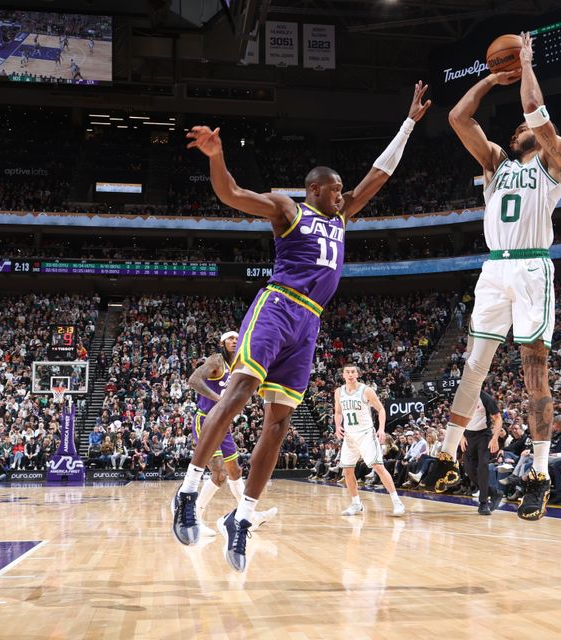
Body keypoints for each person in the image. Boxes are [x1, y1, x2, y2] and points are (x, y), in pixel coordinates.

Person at [170, 81, 431, 571]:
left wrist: (409, 123)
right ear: (315, 189)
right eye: (335, 190)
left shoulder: (343, 215)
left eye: (341, 192)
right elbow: (231, 193)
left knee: (280, 423)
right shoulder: (288, 209)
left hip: (309, 323)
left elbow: (380, 175)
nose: (343, 195)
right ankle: (187, 491)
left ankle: (241, 517)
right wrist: (216, 154)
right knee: (241, 387)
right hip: (277, 307)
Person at [435, 32, 561, 521]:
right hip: (495, 266)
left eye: (526, 127)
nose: (521, 128)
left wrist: (527, 64)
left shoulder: (556, 160)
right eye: (515, 129)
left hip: (533, 264)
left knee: (535, 369)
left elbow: (535, 110)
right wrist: (492, 76)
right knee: (475, 364)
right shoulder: (496, 163)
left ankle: (537, 474)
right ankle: (445, 454)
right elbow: (457, 118)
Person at [186, 331, 276, 536]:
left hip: (223, 423)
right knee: (219, 474)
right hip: (206, 420)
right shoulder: (216, 360)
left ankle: (247, 516)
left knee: (235, 471)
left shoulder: (241, 364)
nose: (234, 341)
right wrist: (220, 400)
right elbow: (193, 380)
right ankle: (195, 517)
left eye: (237, 339)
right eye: (229, 339)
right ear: (222, 343)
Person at [335, 363, 405, 517]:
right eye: (347, 372)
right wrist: (337, 426)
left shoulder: (366, 390)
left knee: (378, 466)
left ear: (357, 374)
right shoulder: (339, 392)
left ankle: (397, 502)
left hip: (366, 433)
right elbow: (338, 412)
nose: (350, 374)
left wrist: (381, 429)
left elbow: (380, 409)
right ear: (343, 375)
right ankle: (355, 504)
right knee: (347, 470)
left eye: (353, 371)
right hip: (349, 436)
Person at [459, 390, 504, 515]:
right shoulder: (462, 397)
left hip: (483, 435)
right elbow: (458, 419)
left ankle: (483, 503)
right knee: (468, 469)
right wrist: (461, 436)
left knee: (483, 467)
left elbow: (498, 418)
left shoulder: (485, 398)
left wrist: (495, 438)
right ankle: (493, 492)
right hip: (468, 435)